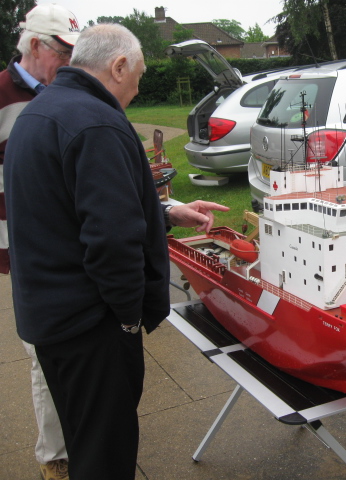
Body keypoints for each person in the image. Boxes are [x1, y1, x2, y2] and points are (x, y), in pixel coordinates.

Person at [4, 23, 229, 480]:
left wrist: (164, 213)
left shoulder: (41, 111)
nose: (140, 86)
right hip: (92, 330)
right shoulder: (97, 122)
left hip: (50, 322)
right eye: (139, 74)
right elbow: (112, 241)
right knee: (107, 455)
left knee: (84, 440)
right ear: (118, 65)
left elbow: (68, 210)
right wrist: (128, 318)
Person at [0, 4, 80, 479]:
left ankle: (84, 437)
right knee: (42, 351)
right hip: (24, 248)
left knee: (75, 347)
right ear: (33, 46)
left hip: (74, 242)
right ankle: (56, 457)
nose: (70, 63)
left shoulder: (68, 93)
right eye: (63, 53)